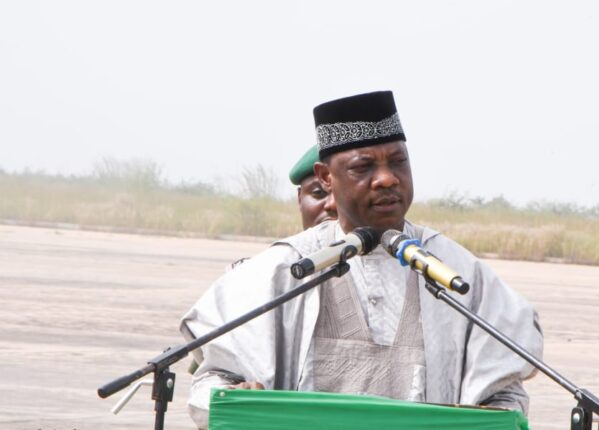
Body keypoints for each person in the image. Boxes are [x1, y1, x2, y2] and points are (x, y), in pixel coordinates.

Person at [180, 91, 543, 429]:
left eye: (398, 162)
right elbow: (212, 384)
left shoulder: (458, 272)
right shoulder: (282, 269)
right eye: (363, 167)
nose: (386, 179)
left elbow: (506, 399)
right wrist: (238, 397)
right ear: (326, 177)